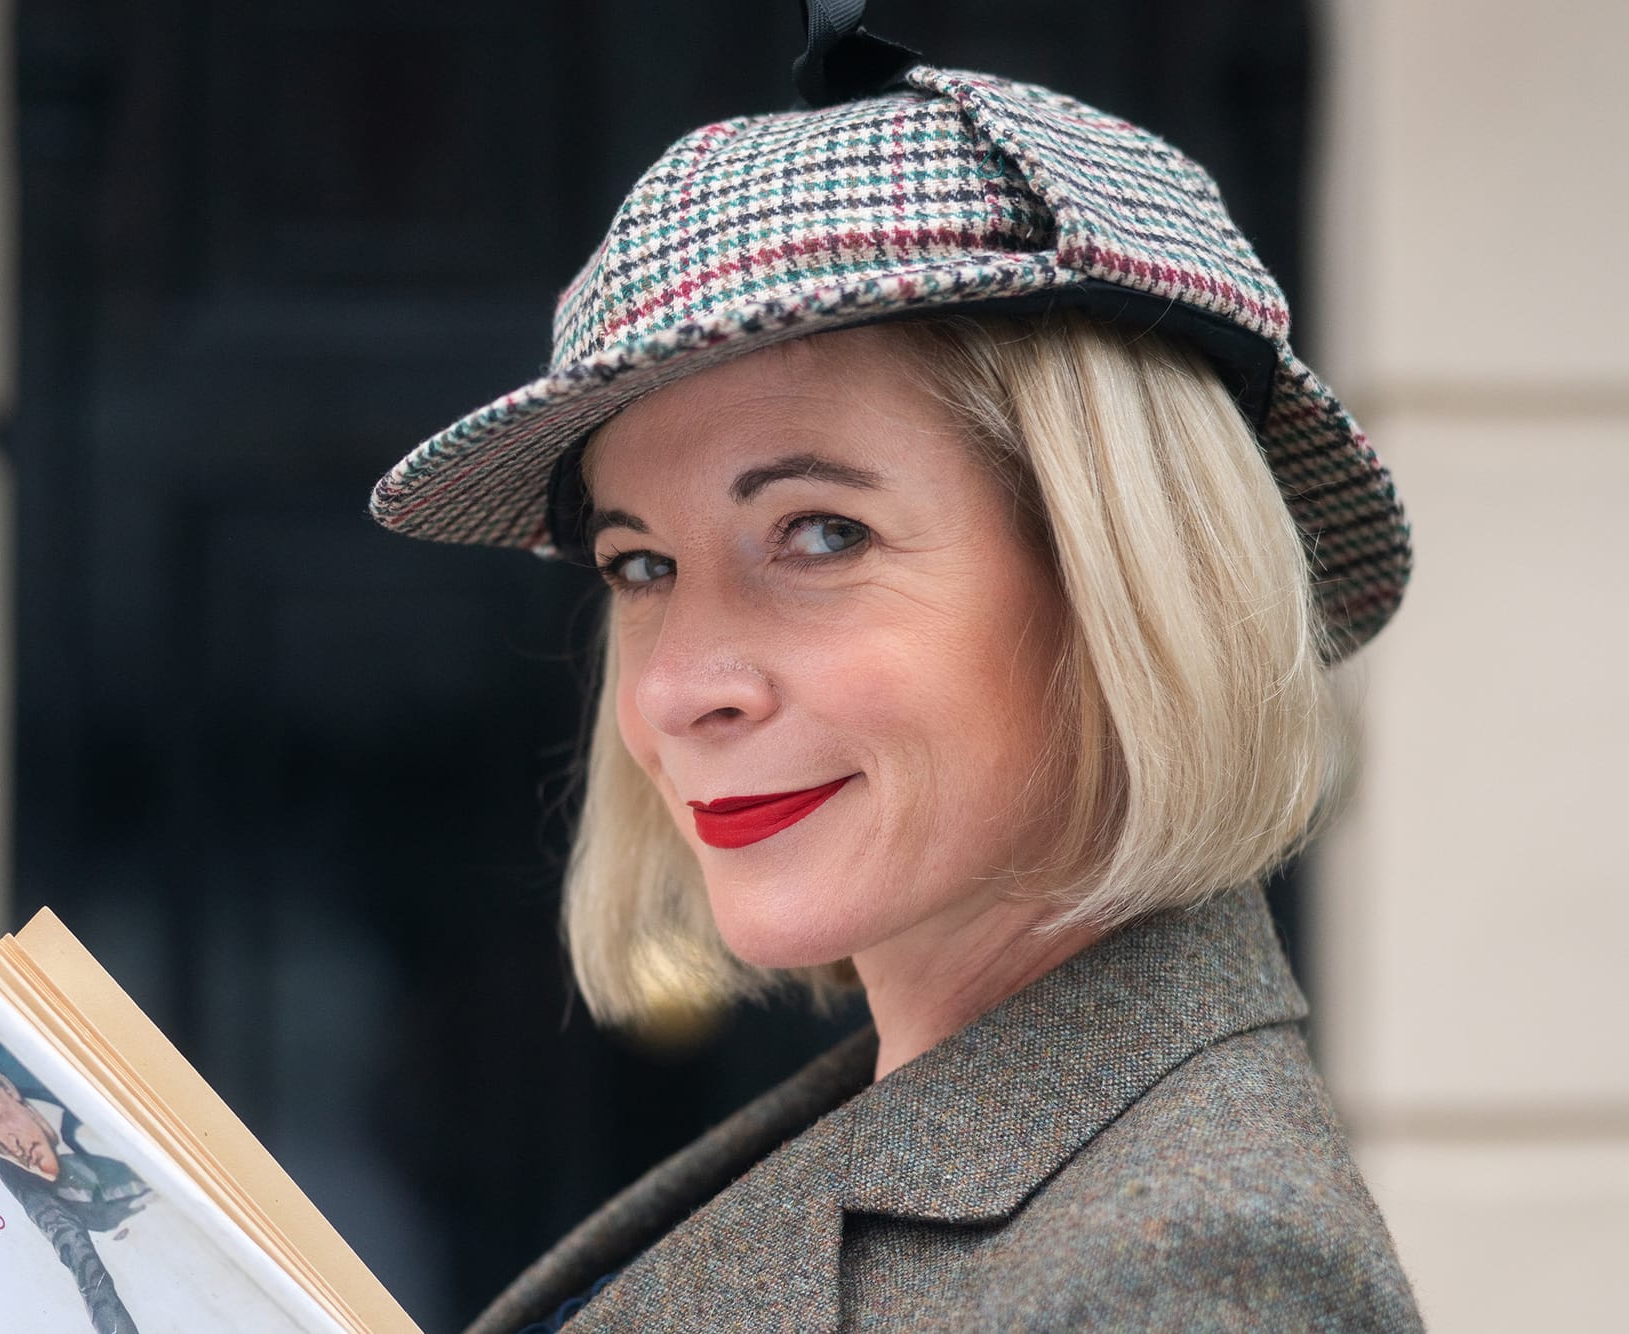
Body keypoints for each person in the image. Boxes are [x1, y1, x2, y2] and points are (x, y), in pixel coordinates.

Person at [368, 9, 1425, 1332]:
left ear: (1127, 587)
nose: (675, 689)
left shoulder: (1191, 1276)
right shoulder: (926, 1137)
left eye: (820, 535)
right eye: (641, 565)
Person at [0, 1019, 148, 1334]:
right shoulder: (11, 1171)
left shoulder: (65, 1075)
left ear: (2, 1084)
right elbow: (86, 1270)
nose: (5, 1142)